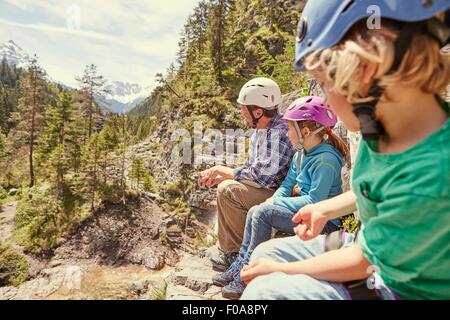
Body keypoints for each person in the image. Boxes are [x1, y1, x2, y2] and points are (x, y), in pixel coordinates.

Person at [240, 0, 450, 300]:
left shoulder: (434, 169)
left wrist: (283, 271)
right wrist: (328, 207)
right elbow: (378, 188)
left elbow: (366, 261)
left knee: (269, 290)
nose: (324, 101)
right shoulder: (382, 130)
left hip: (402, 286)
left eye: (324, 84)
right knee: (266, 251)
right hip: (375, 253)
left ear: (363, 71)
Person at [213, 97, 349, 299]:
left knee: (263, 213)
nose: (286, 133)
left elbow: (315, 202)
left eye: (290, 128)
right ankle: (242, 264)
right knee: (256, 210)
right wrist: (273, 199)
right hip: (303, 212)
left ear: (305, 132)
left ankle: (246, 277)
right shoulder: (300, 154)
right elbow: (287, 185)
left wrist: (275, 203)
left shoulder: (326, 160)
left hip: (324, 223)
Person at [197, 77, 295, 271]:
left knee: (227, 190)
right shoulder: (262, 128)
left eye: (244, 108)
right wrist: (223, 175)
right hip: (269, 188)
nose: (241, 112)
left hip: (278, 193)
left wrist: (222, 171)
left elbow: (263, 177)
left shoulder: (280, 132)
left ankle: (236, 254)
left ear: (258, 111)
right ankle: (234, 250)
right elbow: (253, 167)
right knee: (225, 185)